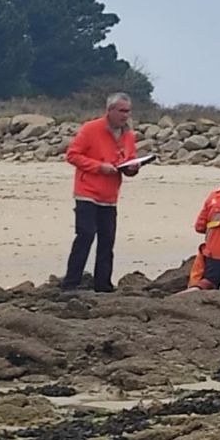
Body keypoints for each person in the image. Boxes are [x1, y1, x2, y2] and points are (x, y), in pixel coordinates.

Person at [61, 92, 138, 293]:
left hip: (110, 196)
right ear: (109, 111)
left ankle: (103, 285)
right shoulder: (91, 129)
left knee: (107, 240)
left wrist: (132, 169)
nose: (125, 115)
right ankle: (70, 283)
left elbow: (129, 160)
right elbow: (72, 155)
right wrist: (98, 167)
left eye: (128, 111)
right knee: (85, 235)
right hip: (87, 192)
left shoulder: (129, 135)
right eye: (121, 111)